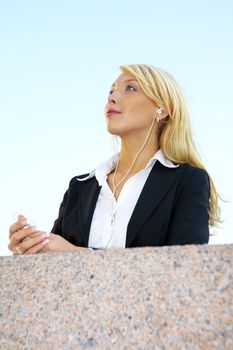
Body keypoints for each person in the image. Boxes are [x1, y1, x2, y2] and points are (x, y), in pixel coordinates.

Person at [8, 64, 220, 255]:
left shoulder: (188, 181)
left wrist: (78, 255)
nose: (112, 97)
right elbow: (55, 270)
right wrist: (33, 248)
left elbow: (186, 268)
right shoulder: (79, 188)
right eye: (111, 90)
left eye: (130, 88)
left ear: (162, 109)